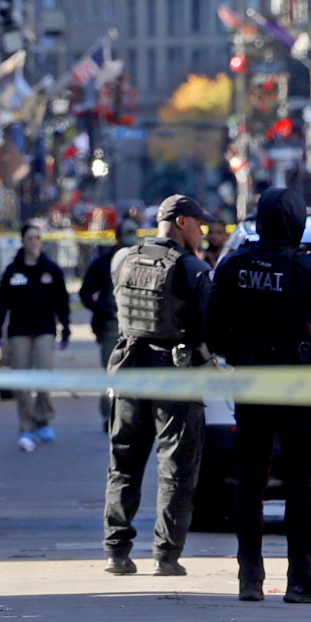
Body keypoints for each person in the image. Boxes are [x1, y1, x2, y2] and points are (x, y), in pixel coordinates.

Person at [208, 184, 311, 605]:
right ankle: (301, 583)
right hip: (299, 386)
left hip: (251, 384)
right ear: (297, 221)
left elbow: (212, 331)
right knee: (299, 484)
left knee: (251, 479)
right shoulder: (310, 269)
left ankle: (249, 580)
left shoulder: (232, 265)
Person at [100, 192, 212, 578]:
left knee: (124, 465)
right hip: (175, 374)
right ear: (182, 223)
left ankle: (116, 553)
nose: (204, 232)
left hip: (129, 368)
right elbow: (210, 326)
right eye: (200, 225)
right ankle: (165, 557)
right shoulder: (193, 270)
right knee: (176, 470)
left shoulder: (122, 258)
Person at [0, 222, 70, 451]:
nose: (34, 242)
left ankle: (42, 419)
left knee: (45, 375)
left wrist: (65, 327)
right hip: (19, 331)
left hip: (45, 330)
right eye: (30, 238)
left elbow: (61, 301)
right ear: (23, 242)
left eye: (37, 237)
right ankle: (26, 425)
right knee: (22, 381)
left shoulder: (51, 269)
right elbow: (3, 302)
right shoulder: (13, 271)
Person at [79, 215, 136, 355]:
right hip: (110, 327)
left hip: (135, 328)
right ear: (118, 238)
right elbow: (85, 292)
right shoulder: (102, 265)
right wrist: (104, 311)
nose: (128, 247)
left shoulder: (141, 262)